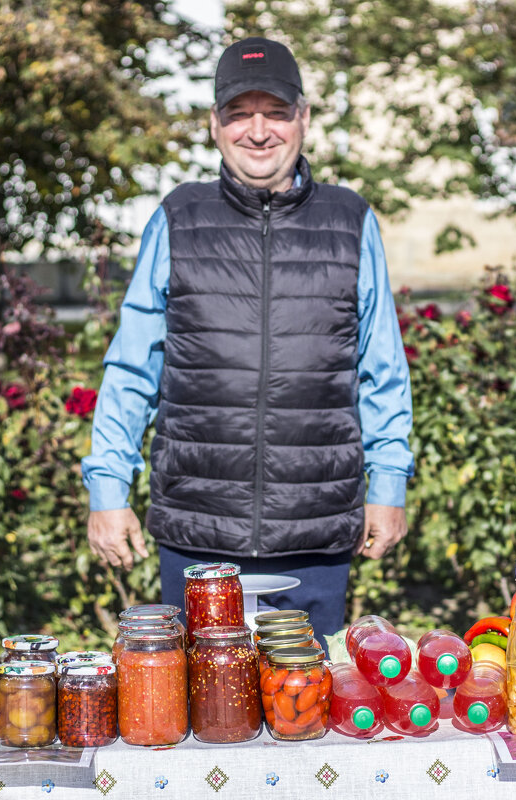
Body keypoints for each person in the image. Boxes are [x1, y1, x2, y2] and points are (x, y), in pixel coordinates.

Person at [81, 37, 413, 643]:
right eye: (239, 113)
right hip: (196, 536)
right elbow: (132, 369)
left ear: (303, 119)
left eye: (276, 112)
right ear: (214, 125)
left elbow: (382, 369)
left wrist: (388, 483)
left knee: (306, 719)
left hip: (314, 534)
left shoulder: (350, 221)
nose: (258, 131)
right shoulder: (178, 218)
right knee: (198, 722)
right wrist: (108, 489)